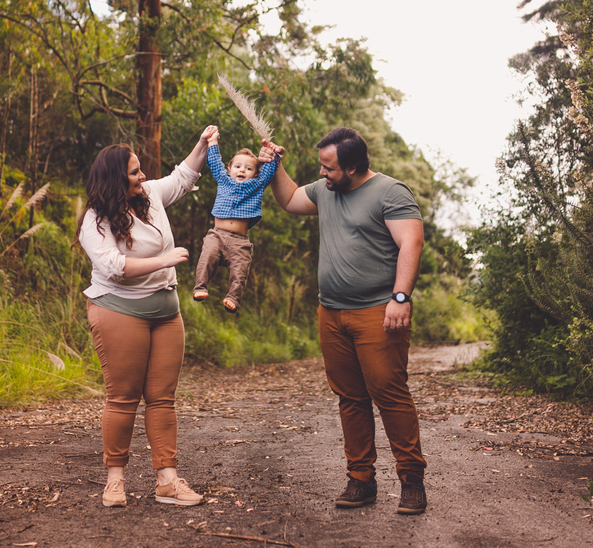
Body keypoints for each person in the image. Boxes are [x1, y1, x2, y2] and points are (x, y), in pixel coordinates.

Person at [259, 127, 428, 515]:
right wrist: (276, 166)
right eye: (321, 166)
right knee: (350, 398)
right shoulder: (325, 191)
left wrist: (400, 297)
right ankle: (361, 480)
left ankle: (411, 481)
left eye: (329, 167)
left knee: (389, 392)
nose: (322, 173)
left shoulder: (390, 192)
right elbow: (288, 199)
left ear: (352, 167)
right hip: (331, 313)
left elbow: (411, 243)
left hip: (378, 312)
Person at [76, 127, 217, 509]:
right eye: (135, 172)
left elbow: (182, 178)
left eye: (140, 171)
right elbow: (112, 265)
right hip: (119, 310)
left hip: (165, 312)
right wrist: (164, 260)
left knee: (162, 399)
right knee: (122, 399)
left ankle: (167, 481)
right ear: (114, 180)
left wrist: (203, 145)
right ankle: (115, 481)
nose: (142, 177)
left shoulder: (149, 195)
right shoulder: (95, 220)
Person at [192, 128, 279, 312]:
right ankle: (200, 286)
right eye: (238, 166)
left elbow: (269, 172)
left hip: (240, 241)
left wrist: (273, 154)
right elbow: (214, 162)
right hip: (217, 234)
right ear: (229, 169)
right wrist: (213, 141)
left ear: (255, 174)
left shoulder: (257, 185)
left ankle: (233, 297)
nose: (242, 170)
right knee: (207, 255)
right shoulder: (223, 179)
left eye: (248, 168)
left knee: (241, 269)